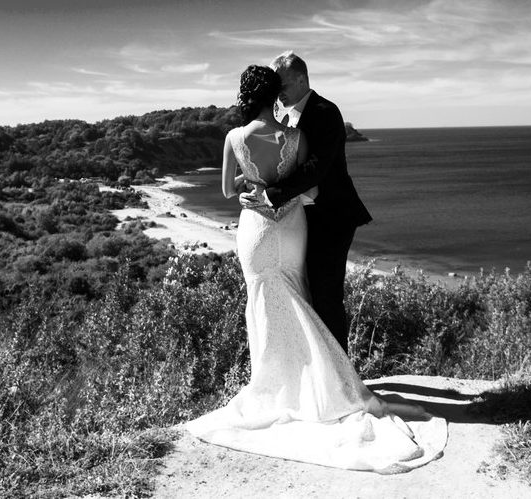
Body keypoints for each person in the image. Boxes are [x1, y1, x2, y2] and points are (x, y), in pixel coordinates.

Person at [183, 65, 445, 474]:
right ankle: (320, 385)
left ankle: (291, 385)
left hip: (265, 229)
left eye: (286, 85)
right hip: (293, 227)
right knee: (300, 295)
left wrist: (256, 188)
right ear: (272, 95)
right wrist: (277, 192)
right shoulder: (293, 134)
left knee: (278, 300)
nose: (283, 94)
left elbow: (230, 189)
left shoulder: (249, 134)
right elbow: (310, 184)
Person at [254, 50, 372, 355]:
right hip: (304, 218)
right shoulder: (285, 116)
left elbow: (316, 168)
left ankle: (341, 372)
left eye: (281, 86)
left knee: (326, 295)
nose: (278, 93)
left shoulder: (325, 111)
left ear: (301, 79)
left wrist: (272, 195)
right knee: (307, 292)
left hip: (332, 217)